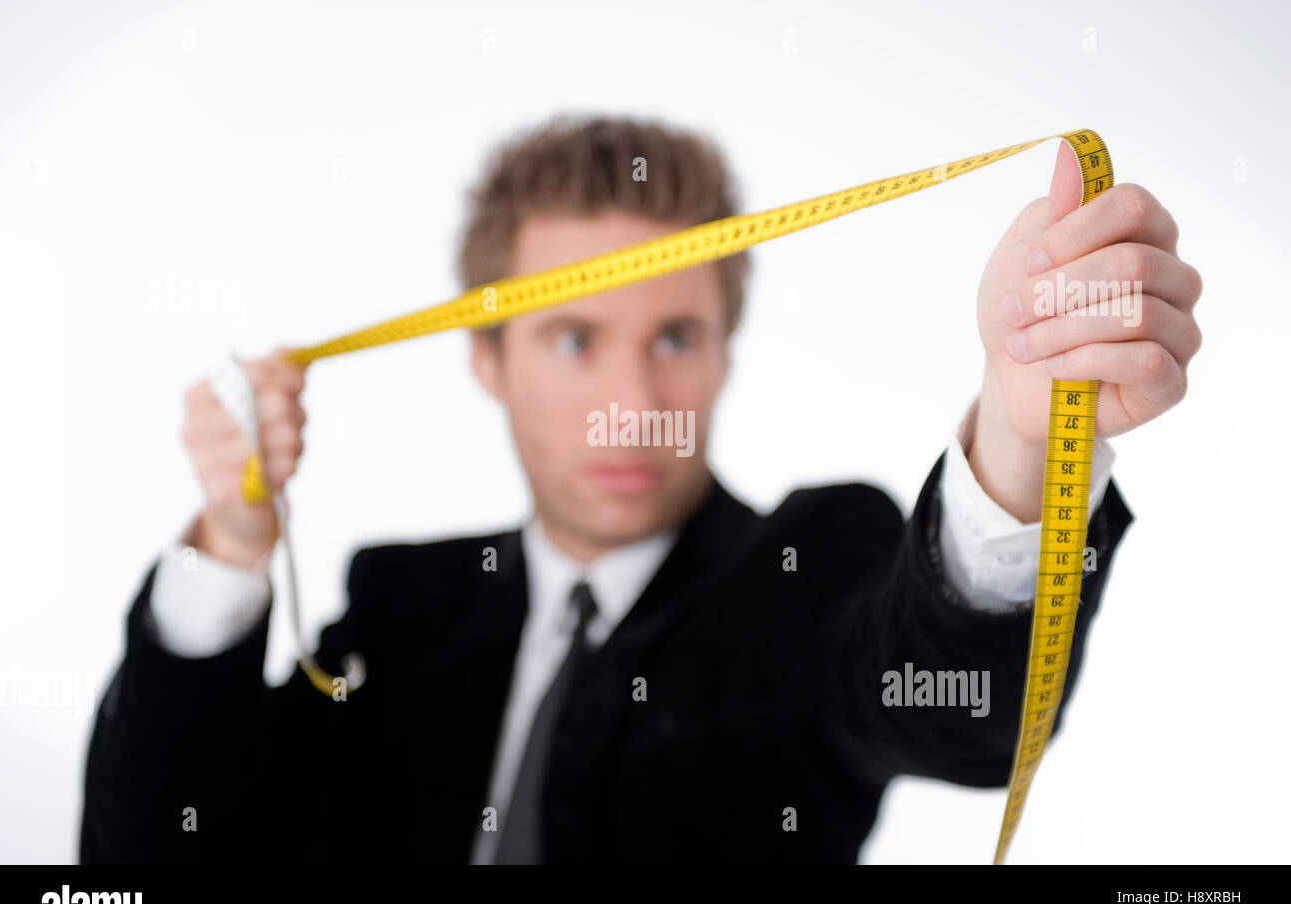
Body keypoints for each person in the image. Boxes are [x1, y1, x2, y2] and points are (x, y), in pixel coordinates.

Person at [80, 114, 1201, 863]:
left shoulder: (809, 572)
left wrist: (1019, 435)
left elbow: (948, 704)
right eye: (572, 339)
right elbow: (146, 859)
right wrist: (231, 543)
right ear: (487, 359)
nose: (630, 397)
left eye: (674, 334)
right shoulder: (401, 608)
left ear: (725, 350)